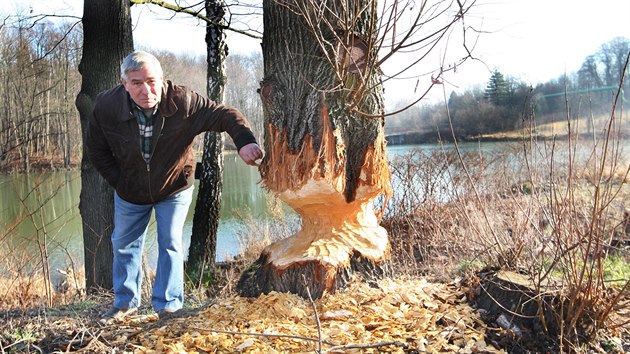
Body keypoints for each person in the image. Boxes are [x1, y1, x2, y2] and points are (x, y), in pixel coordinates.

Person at [86, 50, 263, 325]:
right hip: (130, 191)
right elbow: (96, 151)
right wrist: (120, 181)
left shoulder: (183, 101)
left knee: (169, 241)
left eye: (152, 81)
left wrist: (245, 141)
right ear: (124, 84)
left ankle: (168, 307)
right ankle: (124, 304)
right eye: (137, 83)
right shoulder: (106, 107)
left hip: (173, 187)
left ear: (161, 78)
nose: (146, 89)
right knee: (123, 244)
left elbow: (226, 115)